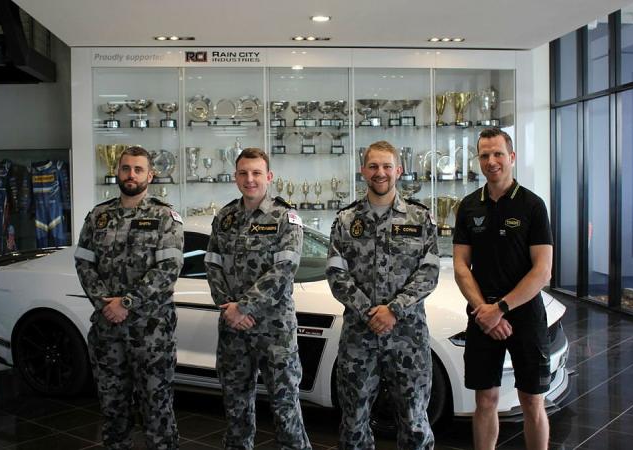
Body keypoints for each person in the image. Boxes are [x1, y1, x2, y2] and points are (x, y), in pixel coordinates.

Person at [326, 140, 440, 449]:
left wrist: (394, 310)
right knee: (353, 423)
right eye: (373, 166)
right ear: (363, 171)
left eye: (387, 166)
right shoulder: (346, 220)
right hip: (358, 339)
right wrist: (369, 312)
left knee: (415, 423)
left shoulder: (419, 218)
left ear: (398, 171)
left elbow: (429, 273)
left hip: (408, 336)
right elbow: (336, 274)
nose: (380, 172)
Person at [74, 145, 184, 450]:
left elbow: (168, 269)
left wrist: (126, 303)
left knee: (157, 410)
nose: (131, 174)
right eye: (126, 168)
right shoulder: (98, 216)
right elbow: (84, 262)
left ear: (150, 175)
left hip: (151, 333)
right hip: (108, 330)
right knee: (112, 409)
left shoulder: (165, 217)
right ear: (117, 171)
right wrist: (104, 303)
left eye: (138, 169)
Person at [452, 128, 553, 450]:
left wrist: (501, 309)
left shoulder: (532, 205)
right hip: (482, 314)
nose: (491, 161)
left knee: (532, 401)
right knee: (485, 399)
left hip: (524, 315)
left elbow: (542, 271)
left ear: (512, 157)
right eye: (484, 155)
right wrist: (485, 311)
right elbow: (460, 266)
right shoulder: (469, 206)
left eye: (498, 154)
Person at [204, 147, 311, 450]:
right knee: (235, 404)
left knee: (285, 406)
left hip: (274, 330)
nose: (249, 179)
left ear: (269, 176)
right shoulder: (225, 217)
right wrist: (229, 307)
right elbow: (212, 264)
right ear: (235, 177)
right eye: (243, 173)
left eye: (256, 173)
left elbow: (283, 270)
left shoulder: (286, 218)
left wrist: (243, 307)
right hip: (233, 329)